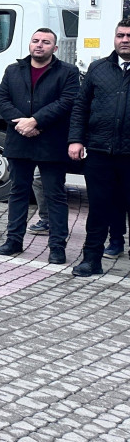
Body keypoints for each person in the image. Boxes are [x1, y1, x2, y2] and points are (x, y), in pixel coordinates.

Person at [0, 28, 80, 263]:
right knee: (18, 192)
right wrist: (23, 124)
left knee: (55, 196)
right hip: (19, 140)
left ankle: (57, 247)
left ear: (55, 48)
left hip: (51, 142)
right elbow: (3, 100)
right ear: (30, 44)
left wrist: (36, 121)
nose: (39, 45)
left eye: (45, 42)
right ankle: (14, 240)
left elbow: (67, 101)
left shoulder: (68, 72)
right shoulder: (13, 70)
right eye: (35, 41)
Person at [70, 20, 130, 276]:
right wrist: (76, 139)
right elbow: (81, 107)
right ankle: (91, 259)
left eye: (129, 36)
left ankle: (119, 243)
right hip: (100, 152)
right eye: (120, 35)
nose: (125, 39)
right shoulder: (97, 69)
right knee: (98, 208)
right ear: (114, 38)